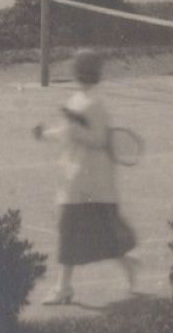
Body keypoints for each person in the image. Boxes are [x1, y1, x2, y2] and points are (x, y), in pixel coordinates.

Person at [31, 50, 137, 304]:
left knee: (71, 231)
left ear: (86, 73)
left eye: (79, 69)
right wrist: (45, 134)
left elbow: (99, 139)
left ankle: (63, 289)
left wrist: (75, 128)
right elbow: (68, 131)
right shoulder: (77, 99)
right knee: (90, 232)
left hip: (90, 179)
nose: (77, 73)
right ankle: (126, 265)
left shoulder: (95, 105)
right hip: (75, 177)